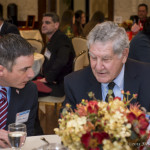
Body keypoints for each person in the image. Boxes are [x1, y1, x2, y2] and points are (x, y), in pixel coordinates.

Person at [62, 21, 150, 112]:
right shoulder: (74, 84)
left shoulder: (147, 77)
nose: (98, 67)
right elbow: (66, 123)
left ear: (124, 55)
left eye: (106, 59)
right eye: (93, 58)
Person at [0, 34, 38, 148]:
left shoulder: (29, 90)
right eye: (24, 69)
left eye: (31, 67)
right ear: (1, 70)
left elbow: (30, 131)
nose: (31, 74)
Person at [36, 12, 75, 97]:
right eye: (42, 22)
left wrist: (48, 78)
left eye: (47, 22)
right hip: (51, 79)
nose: (43, 25)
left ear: (56, 25)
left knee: (26, 89)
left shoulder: (62, 40)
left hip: (58, 85)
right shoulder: (53, 39)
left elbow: (61, 61)